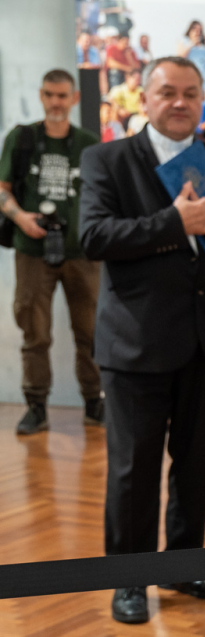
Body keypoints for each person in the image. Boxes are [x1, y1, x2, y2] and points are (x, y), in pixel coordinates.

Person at [78, 56, 205, 625]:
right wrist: (175, 223)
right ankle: (129, 580)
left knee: (197, 466)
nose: (180, 102)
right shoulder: (107, 159)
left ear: (202, 101)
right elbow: (93, 236)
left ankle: (184, 566)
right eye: (168, 92)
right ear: (145, 98)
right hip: (136, 345)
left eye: (191, 93)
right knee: (132, 471)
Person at [0, 69, 103, 435]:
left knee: (90, 332)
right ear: (41, 96)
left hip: (82, 253)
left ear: (74, 98)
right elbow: (2, 188)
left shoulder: (89, 143)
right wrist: (19, 216)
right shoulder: (21, 138)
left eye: (62, 96)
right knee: (35, 333)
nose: (55, 102)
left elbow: (103, 196)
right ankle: (36, 406)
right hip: (32, 251)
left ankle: (94, 402)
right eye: (49, 95)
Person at [177, 20, 205, 91]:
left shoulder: (203, 44)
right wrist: (192, 43)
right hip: (191, 77)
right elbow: (180, 56)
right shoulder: (184, 41)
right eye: (194, 29)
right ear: (190, 30)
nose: (197, 32)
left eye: (200, 30)